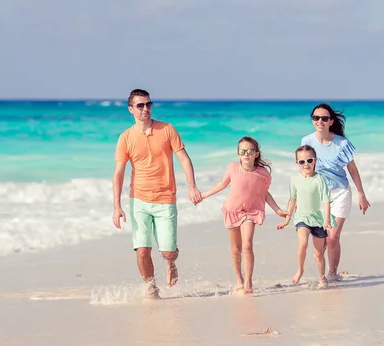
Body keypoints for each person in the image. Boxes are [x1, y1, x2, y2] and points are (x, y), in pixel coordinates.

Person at [112, 89, 203, 298]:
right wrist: (117, 206)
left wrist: (192, 186)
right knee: (142, 249)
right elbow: (118, 173)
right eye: (140, 105)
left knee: (167, 252)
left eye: (148, 104)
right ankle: (151, 288)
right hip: (139, 200)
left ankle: (171, 262)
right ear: (131, 109)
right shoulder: (126, 137)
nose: (145, 109)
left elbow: (184, 158)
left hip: (165, 198)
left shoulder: (167, 129)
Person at [199, 136, 287, 294]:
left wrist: (278, 210)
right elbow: (222, 184)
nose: (246, 154)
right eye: (242, 151)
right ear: (238, 154)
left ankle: (248, 282)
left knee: (247, 244)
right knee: (235, 248)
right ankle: (239, 279)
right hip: (232, 210)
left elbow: (265, 193)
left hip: (251, 211)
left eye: (250, 151)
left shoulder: (262, 173)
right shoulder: (233, 167)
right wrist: (204, 195)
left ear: (256, 154)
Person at [300, 103, 371, 281]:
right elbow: (304, 169)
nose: (320, 121)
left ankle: (333, 274)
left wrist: (361, 194)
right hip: (318, 195)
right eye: (316, 118)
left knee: (332, 237)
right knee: (320, 239)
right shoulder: (306, 141)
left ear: (331, 121)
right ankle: (321, 275)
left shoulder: (342, 143)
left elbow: (352, 169)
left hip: (340, 193)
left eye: (324, 118)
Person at [277, 145, 336, 288]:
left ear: (315, 160)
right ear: (297, 163)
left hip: (319, 219)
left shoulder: (319, 179)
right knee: (303, 243)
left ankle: (322, 278)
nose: (306, 164)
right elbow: (292, 199)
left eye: (309, 160)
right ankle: (300, 270)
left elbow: (326, 200)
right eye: (302, 161)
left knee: (318, 254)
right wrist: (287, 219)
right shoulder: (294, 179)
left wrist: (327, 220)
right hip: (302, 217)